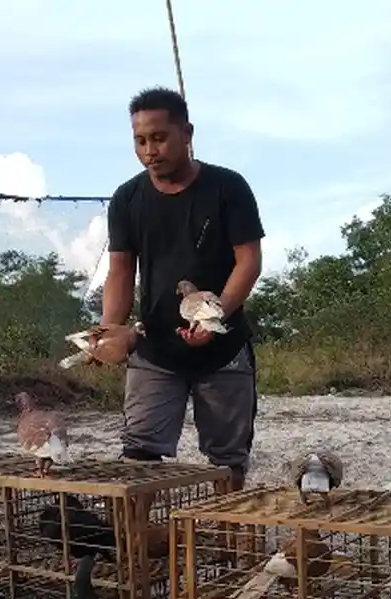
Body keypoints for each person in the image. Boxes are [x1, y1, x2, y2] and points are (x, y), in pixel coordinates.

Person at [99, 86, 264, 492]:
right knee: (139, 452)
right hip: (154, 348)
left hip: (223, 350)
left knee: (228, 460)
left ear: (186, 133)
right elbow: (120, 271)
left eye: (159, 137)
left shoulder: (228, 188)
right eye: (140, 140)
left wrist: (217, 313)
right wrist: (106, 331)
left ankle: (230, 547)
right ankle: (135, 548)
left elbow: (249, 262)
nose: (149, 150)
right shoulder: (127, 198)